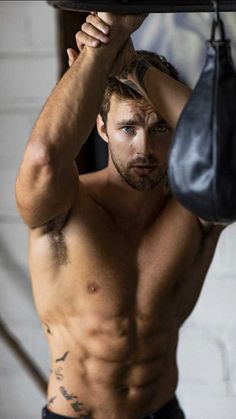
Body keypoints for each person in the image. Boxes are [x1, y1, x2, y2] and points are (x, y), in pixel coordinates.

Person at [15, 12, 227, 419]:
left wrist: (133, 67)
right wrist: (103, 48)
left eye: (160, 128)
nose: (144, 148)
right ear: (101, 128)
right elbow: (43, 158)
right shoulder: (66, 208)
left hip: (163, 412)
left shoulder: (195, 210)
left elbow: (224, 149)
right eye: (128, 128)